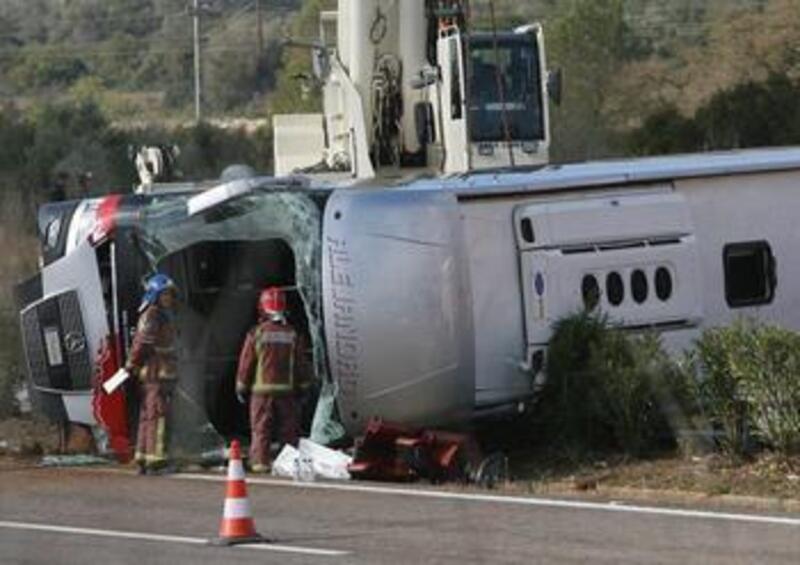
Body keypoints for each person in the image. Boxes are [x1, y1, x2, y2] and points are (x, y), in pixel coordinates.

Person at [235, 287, 306, 473]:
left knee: (261, 429)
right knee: (288, 431)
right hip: (287, 392)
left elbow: (246, 362)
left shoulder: (257, 333)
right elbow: (301, 364)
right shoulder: (292, 334)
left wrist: (241, 386)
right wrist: (305, 387)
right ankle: (288, 464)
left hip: (261, 392)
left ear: (262, 307)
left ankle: (260, 463)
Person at [126, 273, 179, 475]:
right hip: (157, 373)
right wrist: (132, 363)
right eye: (164, 294)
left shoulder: (162, 315)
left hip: (160, 374)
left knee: (148, 416)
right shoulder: (153, 315)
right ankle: (155, 461)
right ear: (154, 295)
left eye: (170, 295)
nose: (168, 299)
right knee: (158, 417)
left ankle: (142, 456)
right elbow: (143, 343)